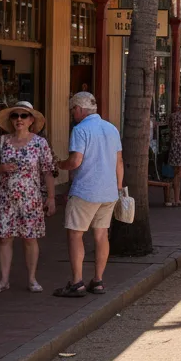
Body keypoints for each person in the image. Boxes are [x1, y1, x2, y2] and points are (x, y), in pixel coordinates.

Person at [54, 92, 122, 298]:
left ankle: (76, 282)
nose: (72, 114)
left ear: (79, 109)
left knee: (75, 234)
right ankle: (98, 280)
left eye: (73, 109)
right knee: (101, 234)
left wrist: (58, 164)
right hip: (109, 190)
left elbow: (75, 161)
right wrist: (118, 187)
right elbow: (119, 161)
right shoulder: (111, 129)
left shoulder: (80, 129)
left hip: (86, 189)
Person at [0, 101, 55, 294]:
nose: (19, 120)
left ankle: (32, 279)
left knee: (30, 238)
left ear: (31, 120)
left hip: (30, 199)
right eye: (15, 116)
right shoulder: (1, 142)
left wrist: (51, 198)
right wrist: (2, 168)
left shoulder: (40, 143)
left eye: (24, 116)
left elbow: (48, 171)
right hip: (4, 199)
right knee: (4, 239)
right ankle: (4, 279)